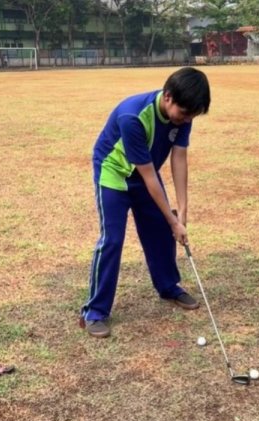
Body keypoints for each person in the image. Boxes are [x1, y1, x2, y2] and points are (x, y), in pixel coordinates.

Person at [79, 67, 211, 338]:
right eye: (184, 114)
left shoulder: (183, 116)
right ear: (168, 97)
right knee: (112, 240)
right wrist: (173, 221)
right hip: (114, 174)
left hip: (144, 174)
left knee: (162, 228)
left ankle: (168, 287)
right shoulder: (133, 116)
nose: (186, 120)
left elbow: (179, 159)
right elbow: (150, 176)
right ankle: (94, 312)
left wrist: (181, 214)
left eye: (191, 116)